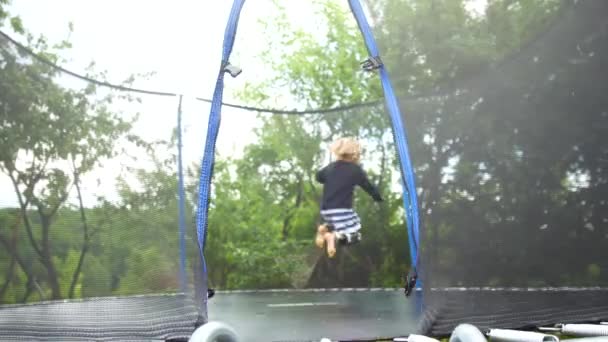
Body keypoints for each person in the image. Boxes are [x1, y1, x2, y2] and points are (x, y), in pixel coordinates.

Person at [315, 137, 383, 258]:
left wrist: (329, 175)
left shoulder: (330, 167)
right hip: (342, 210)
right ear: (354, 155)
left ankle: (323, 230)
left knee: (333, 223)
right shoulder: (355, 170)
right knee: (354, 230)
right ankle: (331, 237)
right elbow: (368, 186)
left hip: (326, 210)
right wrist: (377, 197)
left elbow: (318, 177)